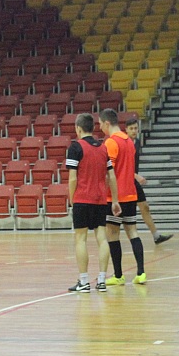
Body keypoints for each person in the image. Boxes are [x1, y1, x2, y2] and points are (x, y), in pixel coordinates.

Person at [66, 113, 122, 292]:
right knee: (102, 238)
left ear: (78, 128)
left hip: (82, 199)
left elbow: (72, 178)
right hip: (99, 200)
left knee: (80, 239)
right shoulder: (103, 148)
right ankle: (102, 280)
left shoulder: (75, 147)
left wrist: (72, 199)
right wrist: (114, 199)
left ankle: (83, 281)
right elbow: (111, 176)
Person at [99, 109, 146, 285]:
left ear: (107, 123)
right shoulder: (129, 142)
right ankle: (141, 272)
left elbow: (108, 172)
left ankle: (118, 275)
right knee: (132, 231)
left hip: (115, 197)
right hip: (131, 193)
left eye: (101, 124)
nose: (100, 127)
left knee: (112, 234)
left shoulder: (111, 143)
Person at [125, 117, 172, 245]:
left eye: (135, 128)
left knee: (145, 207)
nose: (134, 131)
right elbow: (123, 166)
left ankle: (156, 236)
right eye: (131, 129)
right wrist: (136, 176)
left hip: (133, 181)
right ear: (126, 130)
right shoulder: (124, 144)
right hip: (125, 182)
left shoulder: (137, 142)